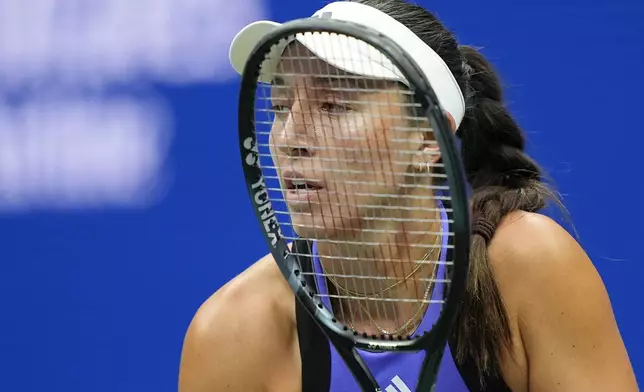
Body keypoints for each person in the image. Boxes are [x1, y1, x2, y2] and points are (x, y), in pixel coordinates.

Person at [178, 1, 638, 391]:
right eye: (280, 106)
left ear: (428, 137)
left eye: (334, 105)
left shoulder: (531, 268)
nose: (290, 136)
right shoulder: (233, 334)